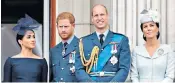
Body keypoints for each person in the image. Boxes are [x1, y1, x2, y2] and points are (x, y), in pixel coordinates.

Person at [75, 4, 131, 82]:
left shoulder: (121, 40)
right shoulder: (83, 42)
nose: (99, 18)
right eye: (96, 15)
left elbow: (124, 68)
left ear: (107, 16)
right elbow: (79, 69)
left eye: (102, 14)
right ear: (92, 19)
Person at [130, 9, 175, 82]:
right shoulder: (136, 51)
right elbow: (134, 76)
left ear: (157, 29)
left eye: (151, 25)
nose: (148, 28)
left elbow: (170, 76)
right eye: (145, 26)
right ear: (143, 31)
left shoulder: (168, 49)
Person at [3, 14, 48, 82]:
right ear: (20, 41)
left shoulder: (42, 61)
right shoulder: (10, 61)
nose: (33, 39)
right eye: (29, 37)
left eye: (34, 37)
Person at [50, 12, 78, 82]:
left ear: (73, 26)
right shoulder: (54, 51)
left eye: (66, 26)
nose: (63, 30)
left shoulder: (82, 46)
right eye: (60, 27)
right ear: (57, 27)